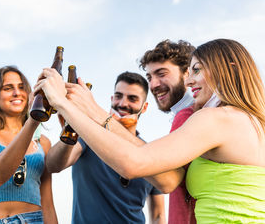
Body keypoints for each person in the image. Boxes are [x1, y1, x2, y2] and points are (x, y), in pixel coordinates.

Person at [35, 39, 265, 223]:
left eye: (197, 70)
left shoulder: (216, 119)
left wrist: (66, 104)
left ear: (229, 69)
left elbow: (134, 163)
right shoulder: (251, 121)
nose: (190, 80)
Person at [46, 72, 166, 224]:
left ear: (145, 107)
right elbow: (53, 165)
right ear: (111, 99)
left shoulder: (150, 153)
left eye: (133, 98)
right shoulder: (88, 137)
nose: (123, 104)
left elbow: (158, 215)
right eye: (118, 96)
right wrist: (71, 129)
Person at [0, 66, 58, 224]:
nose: (17, 93)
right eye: (8, 88)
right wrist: (33, 121)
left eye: (22, 87)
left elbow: (47, 203)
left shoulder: (43, 143)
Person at [139, 40, 197, 224]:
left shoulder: (190, 116)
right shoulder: (185, 115)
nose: (154, 85)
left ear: (187, 73)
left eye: (161, 74)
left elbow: (166, 181)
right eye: (149, 77)